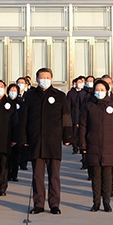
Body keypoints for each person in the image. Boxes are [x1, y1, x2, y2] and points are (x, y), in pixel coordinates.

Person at [20, 67, 73, 215]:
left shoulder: (60, 96)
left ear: (51, 79)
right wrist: (23, 137)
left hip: (53, 141)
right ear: (37, 79)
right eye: (42, 77)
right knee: (37, 176)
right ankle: (38, 204)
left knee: (54, 176)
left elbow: (66, 117)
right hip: (36, 141)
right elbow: (24, 119)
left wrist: (67, 136)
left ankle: (54, 204)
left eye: (47, 77)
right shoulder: (30, 96)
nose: (44, 80)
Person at [78, 80, 113, 212]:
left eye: (102, 90)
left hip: (109, 147)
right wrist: (83, 145)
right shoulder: (89, 106)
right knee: (96, 176)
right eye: (97, 90)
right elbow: (83, 127)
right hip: (93, 146)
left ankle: (107, 202)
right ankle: (96, 202)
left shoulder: (112, 106)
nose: (99, 92)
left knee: (107, 176)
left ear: (106, 90)